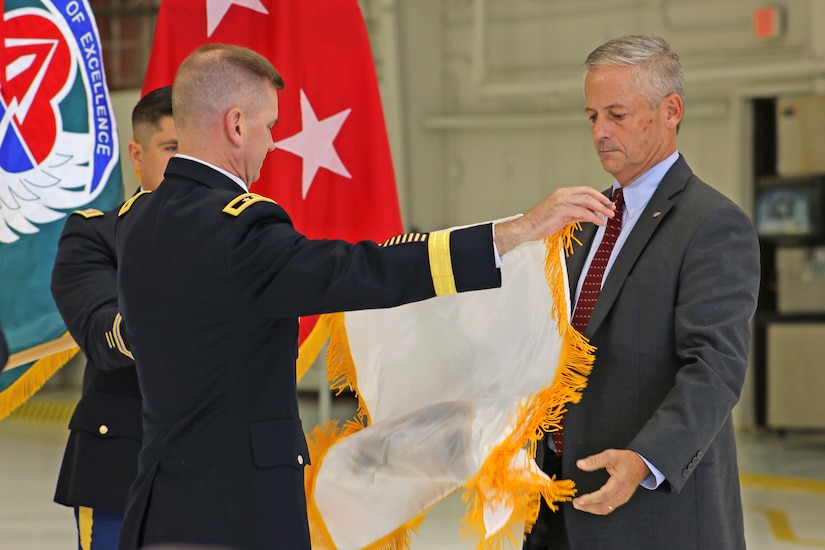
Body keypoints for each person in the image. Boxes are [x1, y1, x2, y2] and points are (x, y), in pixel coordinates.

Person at [114, 44, 616, 550]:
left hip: (159, 503)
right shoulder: (238, 228)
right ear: (237, 125)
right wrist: (514, 232)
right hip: (237, 512)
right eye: (270, 126)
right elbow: (360, 271)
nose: (272, 143)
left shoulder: (137, 225)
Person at [524, 35, 760, 550]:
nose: (600, 133)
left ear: (671, 110)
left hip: (652, 515)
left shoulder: (713, 224)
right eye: (591, 117)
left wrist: (644, 459)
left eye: (617, 115)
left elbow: (715, 368)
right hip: (557, 510)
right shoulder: (583, 222)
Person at [51, 86, 177, 550]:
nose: (187, 165)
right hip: (122, 462)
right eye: (172, 149)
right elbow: (102, 335)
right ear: (137, 154)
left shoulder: (243, 236)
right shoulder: (97, 235)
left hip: (218, 468)